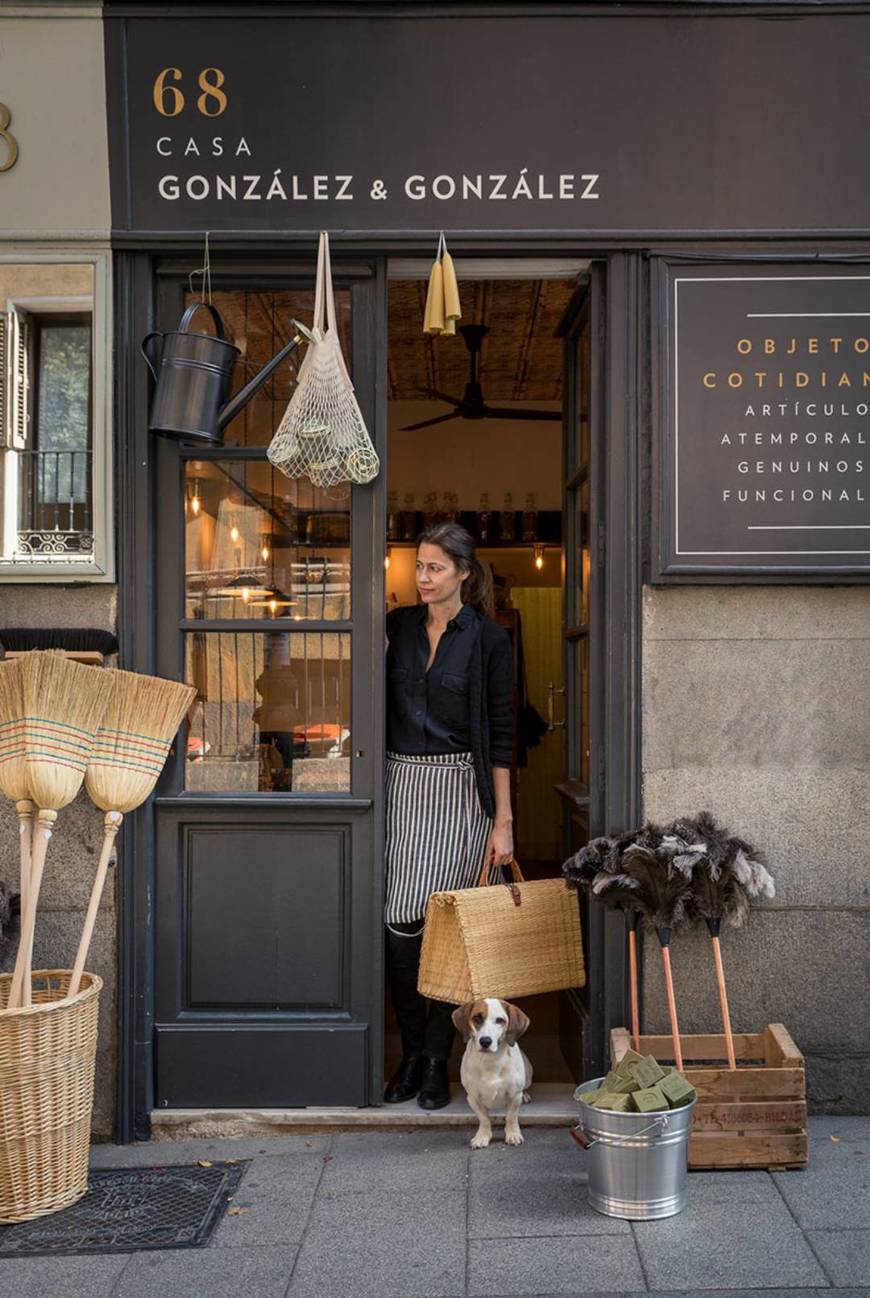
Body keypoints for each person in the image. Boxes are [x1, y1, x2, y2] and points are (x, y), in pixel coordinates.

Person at [383, 521, 515, 1109]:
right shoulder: (397, 627)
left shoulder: (489, 640)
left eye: (436, 568)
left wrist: (503, 822)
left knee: (447, 938)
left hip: (460, 790)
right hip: (398, 784)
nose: (423, 577)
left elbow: (506, 738)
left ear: (464, 572)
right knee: (399, 929)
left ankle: (437, 1060)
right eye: (419, 566)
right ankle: (411, 1051)